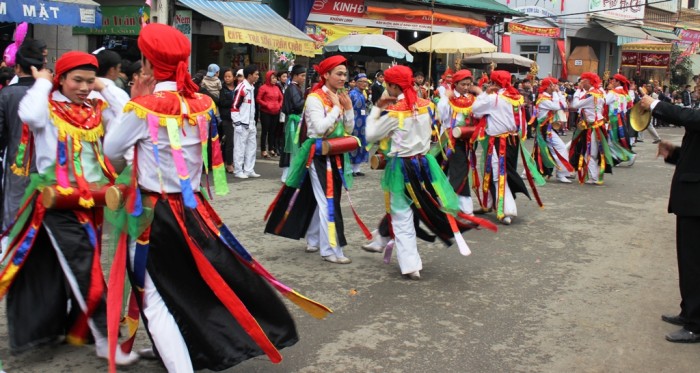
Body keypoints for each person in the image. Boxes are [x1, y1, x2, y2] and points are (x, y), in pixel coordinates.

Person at [103, 23, 328, 372]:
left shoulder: (143, 107)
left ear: (147, 61)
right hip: (193, 209)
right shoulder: (202, 103)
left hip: (153, 213)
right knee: (190, 283)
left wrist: (133, 103)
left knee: (153, 297)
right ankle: (186, 351)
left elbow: (112, 150)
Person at [0, 50, 137, 364]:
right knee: (84, 268)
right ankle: (105, 339)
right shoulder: (46, 108)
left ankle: (66, 330)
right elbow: (29, 116)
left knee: (57, 268)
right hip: (56, 204)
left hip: (91, 203)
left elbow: (127, 112)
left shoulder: (96, 109)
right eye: (77, 80)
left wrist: (106, 86)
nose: (84, 87)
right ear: (60, 79)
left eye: (89, 80)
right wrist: (41, 84)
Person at [363, 65, 496, 279]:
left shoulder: (396, 111)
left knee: (402, 214)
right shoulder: (426, 106)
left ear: (393, 86)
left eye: (388, 85)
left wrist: (377, 108)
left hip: (402, 166)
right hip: (423, 163)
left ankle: (411, 264)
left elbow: (370, 135)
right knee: (412, 207)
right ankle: (384, 241)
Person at [264, 55, 358, 264]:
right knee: (328, 200)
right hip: (317, 155)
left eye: (345, 74)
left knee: (323, 199)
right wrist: (335, 108)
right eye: (339, 74)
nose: (343, 78)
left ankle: (314, 239)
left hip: (336, 154)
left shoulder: (341, 96)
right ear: (326, 75)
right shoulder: (314, 98)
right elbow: (319, 129)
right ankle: (330, 250)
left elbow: (348, 130)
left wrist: (348, 107)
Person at [639, 94, 700, 343]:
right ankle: (689, 312)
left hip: (697, 202)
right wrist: (673, 153)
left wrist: (654, 104)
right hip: (691, 199)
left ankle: (696, 324)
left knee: (695, 263)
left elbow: (690, 118)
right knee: (688, 262)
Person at [471, 70, 544, 225]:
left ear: (494, 83)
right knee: (491, 170)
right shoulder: (516, 97)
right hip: (513, 140)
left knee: (498, 174)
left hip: (499, 142)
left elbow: (476, 111)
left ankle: (506, 210)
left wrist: (484, 93)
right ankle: (488, 203)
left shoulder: (494, 98)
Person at [0, 39, 44, 238]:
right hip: (47, 167)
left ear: (17, 68)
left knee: (14, 215)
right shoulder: (50, 94)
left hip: (16, 164)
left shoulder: (7, 95)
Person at [436, 69, 479, 215]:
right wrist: (445, 98)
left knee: (455, 170)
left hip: (466, 140)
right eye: (463, 84)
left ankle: (447, 201)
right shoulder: (448, 98)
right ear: (455, 84)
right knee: (459, 170)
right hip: (450, 140)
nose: (466, 87)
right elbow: (440, 115)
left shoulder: (472, 99)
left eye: (468, 84)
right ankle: (464, 208)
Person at [569, 72, 613, 185]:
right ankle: (594, 175)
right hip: (597, 125)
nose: (580, 82)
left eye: (582, 80)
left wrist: (578, 91)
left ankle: (594, 177)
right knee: (593, 151)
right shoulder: (599, 92)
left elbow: (575, 105)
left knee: (590, 151)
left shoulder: (591, 94)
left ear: (588, 81)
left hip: (592, 126)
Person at [531, 77, 574, 183]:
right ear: (549, 86)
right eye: (555, 85)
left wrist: (558, 93)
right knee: (559, 148)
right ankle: (561, 174)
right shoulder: (543, 98)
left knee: (542, 151)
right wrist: (556, 93)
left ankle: (531, 171)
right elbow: (556, 106)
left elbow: (563, 106)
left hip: (549, 128)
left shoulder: (549, 97)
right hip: (544, 129)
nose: (557, 86)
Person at [231, 64, 260, 178]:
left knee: (251, 147)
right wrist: (237, 123)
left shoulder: (251, 88)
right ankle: (238, 171)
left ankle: (249, 169)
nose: (258, 76)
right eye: (256, 74)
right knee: (239, 148)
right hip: (242, 124)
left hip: (251, 123)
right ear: (249, 75)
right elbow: (234, 106)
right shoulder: (242, 88)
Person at [278, 64, 306, 183]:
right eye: (302, 76)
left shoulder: (294, 88)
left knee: (292, 147)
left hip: (294, 120)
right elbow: (298, 105)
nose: (304, 78)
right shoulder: (293, 88)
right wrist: (309, 99)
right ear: (295, 76)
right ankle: (287, 175)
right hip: (293, 122)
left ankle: (290, 173)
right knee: (291, 147)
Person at [604, 74, 636, 166]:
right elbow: (630, 105)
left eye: (613, 80)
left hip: (614, 118)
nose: (611, 82)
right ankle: (616, 158)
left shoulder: (613, 92)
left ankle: (628, 155)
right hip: (621, 117)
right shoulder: (625, 93)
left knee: (612, 139)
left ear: (618, 82)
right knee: (615, 139)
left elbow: (604, 101)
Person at [257, 70, 283, 159]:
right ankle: (263, 150)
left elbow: (281, 98)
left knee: (272, 131)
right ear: (268, 78)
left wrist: (279, 105)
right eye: (272, 78)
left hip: (275, 112)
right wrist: (267, 105)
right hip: (266, 112)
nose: (274, 80)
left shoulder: (276, 88)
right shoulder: (263, 88)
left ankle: (271, 148)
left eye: (275, 78)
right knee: (265, 131)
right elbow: (258, 99)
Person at [349, 73, 369, 176]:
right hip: (354, 123)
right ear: (356, 83)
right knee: (353, 144)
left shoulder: (362, 94)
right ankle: (350, 169)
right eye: (362, 81)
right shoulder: (352, 94)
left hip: (362, 124)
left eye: (366, 82)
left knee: (361, 144)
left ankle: (356, 168)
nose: (364, 84)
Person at [219, 67, 236, 173]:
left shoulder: (238, 88)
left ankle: (234, 161)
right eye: (225, 77)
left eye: (229, 76)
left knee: (236, 141)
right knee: (229, 141)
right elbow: (222, 103)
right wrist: (234, 101)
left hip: (238, 117)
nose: (227, 78)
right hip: (227, 118)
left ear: (234, 77)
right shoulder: (222, 89)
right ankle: (228, 164)